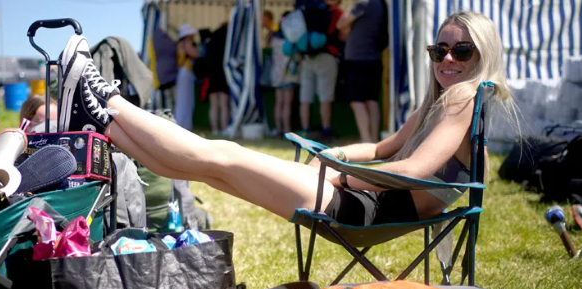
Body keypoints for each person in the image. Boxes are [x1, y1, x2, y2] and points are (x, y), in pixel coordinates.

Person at [58, 11, 512, 227]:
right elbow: (382, 149)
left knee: (221, 156)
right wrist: (335, 153)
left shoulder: (464, 98)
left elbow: (412, 171)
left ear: (483, 54)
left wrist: (340, 176)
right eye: (440, 50)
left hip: (358, 209)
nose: (447, 59)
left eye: (461, 50)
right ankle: (102, 121)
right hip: (361, 205)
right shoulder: (444, 101)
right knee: (209, 168)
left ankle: (108, 101)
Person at [337, 0, 388, 142]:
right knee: (371, 100)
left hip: (358, 59)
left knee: (356, 100)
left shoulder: (363, 3)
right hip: (373, 58)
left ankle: (366, 140)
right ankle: (372, 139)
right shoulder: (380, 4)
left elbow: (340, 24)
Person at [298, 0, 344, 140]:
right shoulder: (336, 12)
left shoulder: (306, 9)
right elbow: (342, 34)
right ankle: (326, 130)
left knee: (305, 97)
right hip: (327, 56)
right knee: (325, 96)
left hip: (307, 57)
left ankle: (305, 130)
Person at [271, 11, 301, 137]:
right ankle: (288, 131)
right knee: (287, 103)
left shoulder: (274, 38)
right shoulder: (291, 39)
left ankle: (278, 129)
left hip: (277, 74)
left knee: (279, 103)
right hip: (289, 74)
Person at [174, 23, 200, 130]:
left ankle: (183, 125)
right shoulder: (187, 42)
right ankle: (183, 125)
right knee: (186, 101)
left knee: (183, 100)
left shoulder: (180, 43)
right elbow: (195, 54)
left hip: (183, 72)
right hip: (186, 71)